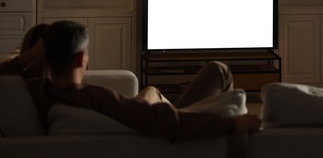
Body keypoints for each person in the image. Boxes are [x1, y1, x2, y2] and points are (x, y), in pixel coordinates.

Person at [2, 21, 261, 142]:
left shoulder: (37, 90)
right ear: (81, 58)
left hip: (155, 119)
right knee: (218, 71)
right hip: (171, 132)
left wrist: (27, 57)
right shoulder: (93, 97)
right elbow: (168, 123)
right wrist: (235, 122)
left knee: (153, 91)